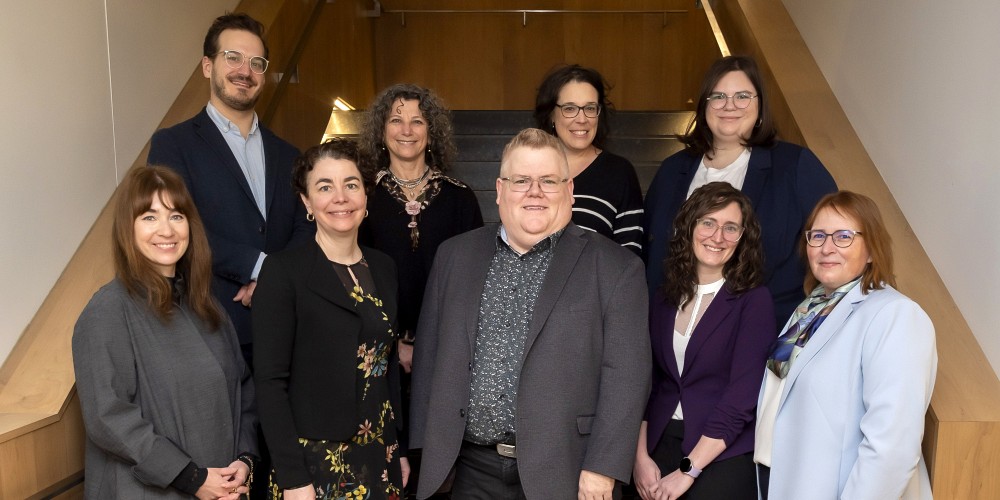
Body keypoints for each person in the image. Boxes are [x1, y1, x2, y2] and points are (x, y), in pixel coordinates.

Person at [411, 128, 651, 499]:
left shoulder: (618, 268)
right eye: (521, 180)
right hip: (467, 472)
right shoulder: (453, 256)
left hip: (567, 472)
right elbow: (427, 361)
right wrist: (426, 453)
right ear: (499, 189)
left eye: (548, 181)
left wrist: (603, 468)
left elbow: (627, 379)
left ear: (569, 190)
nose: (534, 191)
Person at [73, 166, 256, 499]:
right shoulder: (107, 311)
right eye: (149, 217)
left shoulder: (207, 306)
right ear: (127, 228)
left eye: (176, 216)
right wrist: (192, 478)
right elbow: (107, 417)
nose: (166, 230)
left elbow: (244, 391)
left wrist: (244, 461)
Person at [148, 12, 313, 366]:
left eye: (257, 63)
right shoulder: (172, 145)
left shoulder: (289, 154)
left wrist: (275, 277)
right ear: (207, 66)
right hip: (210, 325)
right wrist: (260, 268)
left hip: (284, 327)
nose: (245, 71)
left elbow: (307, 226)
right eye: (233, 58)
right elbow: (179, 228)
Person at [252, 139, 409, 499]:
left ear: (365, 194)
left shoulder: (383, 268)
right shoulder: (282, 272)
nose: (340, 197)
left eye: (351, 184)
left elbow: (386, 368)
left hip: (380, 453)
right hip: (315, 464)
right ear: (307, 201)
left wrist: (396, 446)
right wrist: (292, 478)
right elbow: (270, 383)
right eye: (325, 187)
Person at [754, 191, 937, 499]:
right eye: (817, 236)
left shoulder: (894, 314)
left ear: (871, 250)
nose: (827, 248)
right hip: (779, 479)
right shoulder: (808, 310)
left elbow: (892, 447)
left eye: (843, 236)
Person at [643, 55, 837, 328]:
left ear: (760, 105)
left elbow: (836, 245)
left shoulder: (795, 165)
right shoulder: (672, 171)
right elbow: (652, 254)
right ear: (704, 105)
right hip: (676, 334)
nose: (729, 105)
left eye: (743, 96)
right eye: (718, 96)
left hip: (765, 332)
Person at [633, 182, 774, 500]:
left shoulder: (754, 301)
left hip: (720, 451)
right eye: (708, 222)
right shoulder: (663, 296)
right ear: (689, 227)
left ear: (742, 238)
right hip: (658, 442)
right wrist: (638, 457)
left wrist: (689, 470)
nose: (717, 236)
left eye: (731, 227)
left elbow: (741, 399)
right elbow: (647, 382)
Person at [358, 83, 483, 374]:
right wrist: (397, 338)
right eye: (396, 121)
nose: (407, 130)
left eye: (417, 121)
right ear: (381, 130)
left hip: (448, 342)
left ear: (431, 132)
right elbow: (357, 274)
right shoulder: (362, 197)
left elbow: (473, 279)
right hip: (376, 344)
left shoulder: (460, 197)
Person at [534, 64, 644, 255]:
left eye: (590, 108)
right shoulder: (531, 167)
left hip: (599, 285)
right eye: (570, 108)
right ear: (551, 114)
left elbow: (630, 256)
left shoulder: (619, 172)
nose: (582, 118)